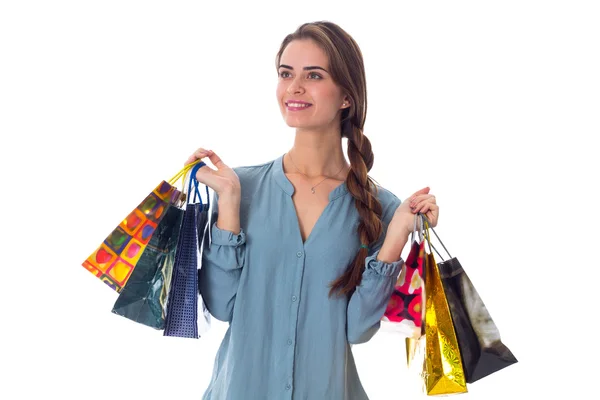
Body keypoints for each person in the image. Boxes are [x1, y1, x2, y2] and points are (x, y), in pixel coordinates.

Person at [185, 21, 439, 400]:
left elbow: (357, 330)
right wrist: (231, 205)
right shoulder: (239, 188)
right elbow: (221, 307)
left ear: (346, 97)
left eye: (313, 75)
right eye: (286, 74)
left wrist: (398, 232)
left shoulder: (381, 208)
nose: (294, 88)